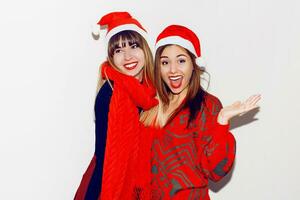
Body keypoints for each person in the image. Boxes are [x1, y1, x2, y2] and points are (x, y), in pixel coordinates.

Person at [140, 25, 261, 199]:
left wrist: (221, 121)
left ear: (194, 64)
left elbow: (215, 171)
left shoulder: (207, 106)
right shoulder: (152, 104)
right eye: (165, 62)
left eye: (181, 60)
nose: (173, 70)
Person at [74, 12, 158, 200]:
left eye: (133, 46)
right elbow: (107, 160)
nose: (127, 56)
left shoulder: (153, 93)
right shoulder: (109, 94)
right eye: (118, 50)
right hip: (109, 187)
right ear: (111, 57)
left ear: (145, 48)